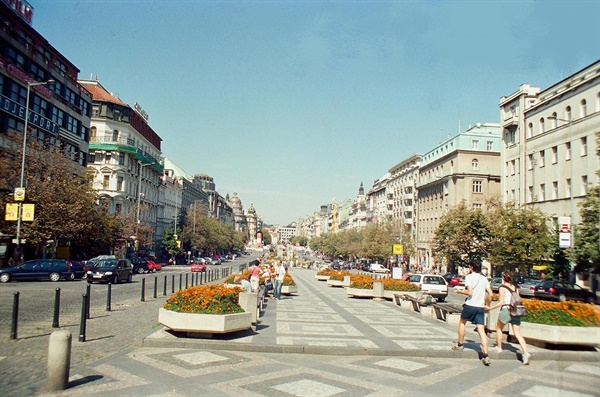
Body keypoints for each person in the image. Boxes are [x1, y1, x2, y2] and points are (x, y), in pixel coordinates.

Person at [452, 260, 494, 366]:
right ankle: (486, 355)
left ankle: (460, 344)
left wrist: (459, 291)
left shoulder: (469, 277)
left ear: (471, 268)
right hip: (480, 307)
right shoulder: (484, 279)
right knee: (481, 330)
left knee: (462, 323)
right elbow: (491, 294)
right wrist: (487, 305)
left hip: (470, 305)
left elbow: (469, 293)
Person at [487, 272, 531, 365]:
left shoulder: (502, 288)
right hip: (516, 311)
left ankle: (499, 347)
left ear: (503, 278)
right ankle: (526, 352)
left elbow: (501, 302)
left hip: (506, 310)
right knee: (518, 333)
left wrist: (490, 308)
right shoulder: (515, 287)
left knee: (498, 328)